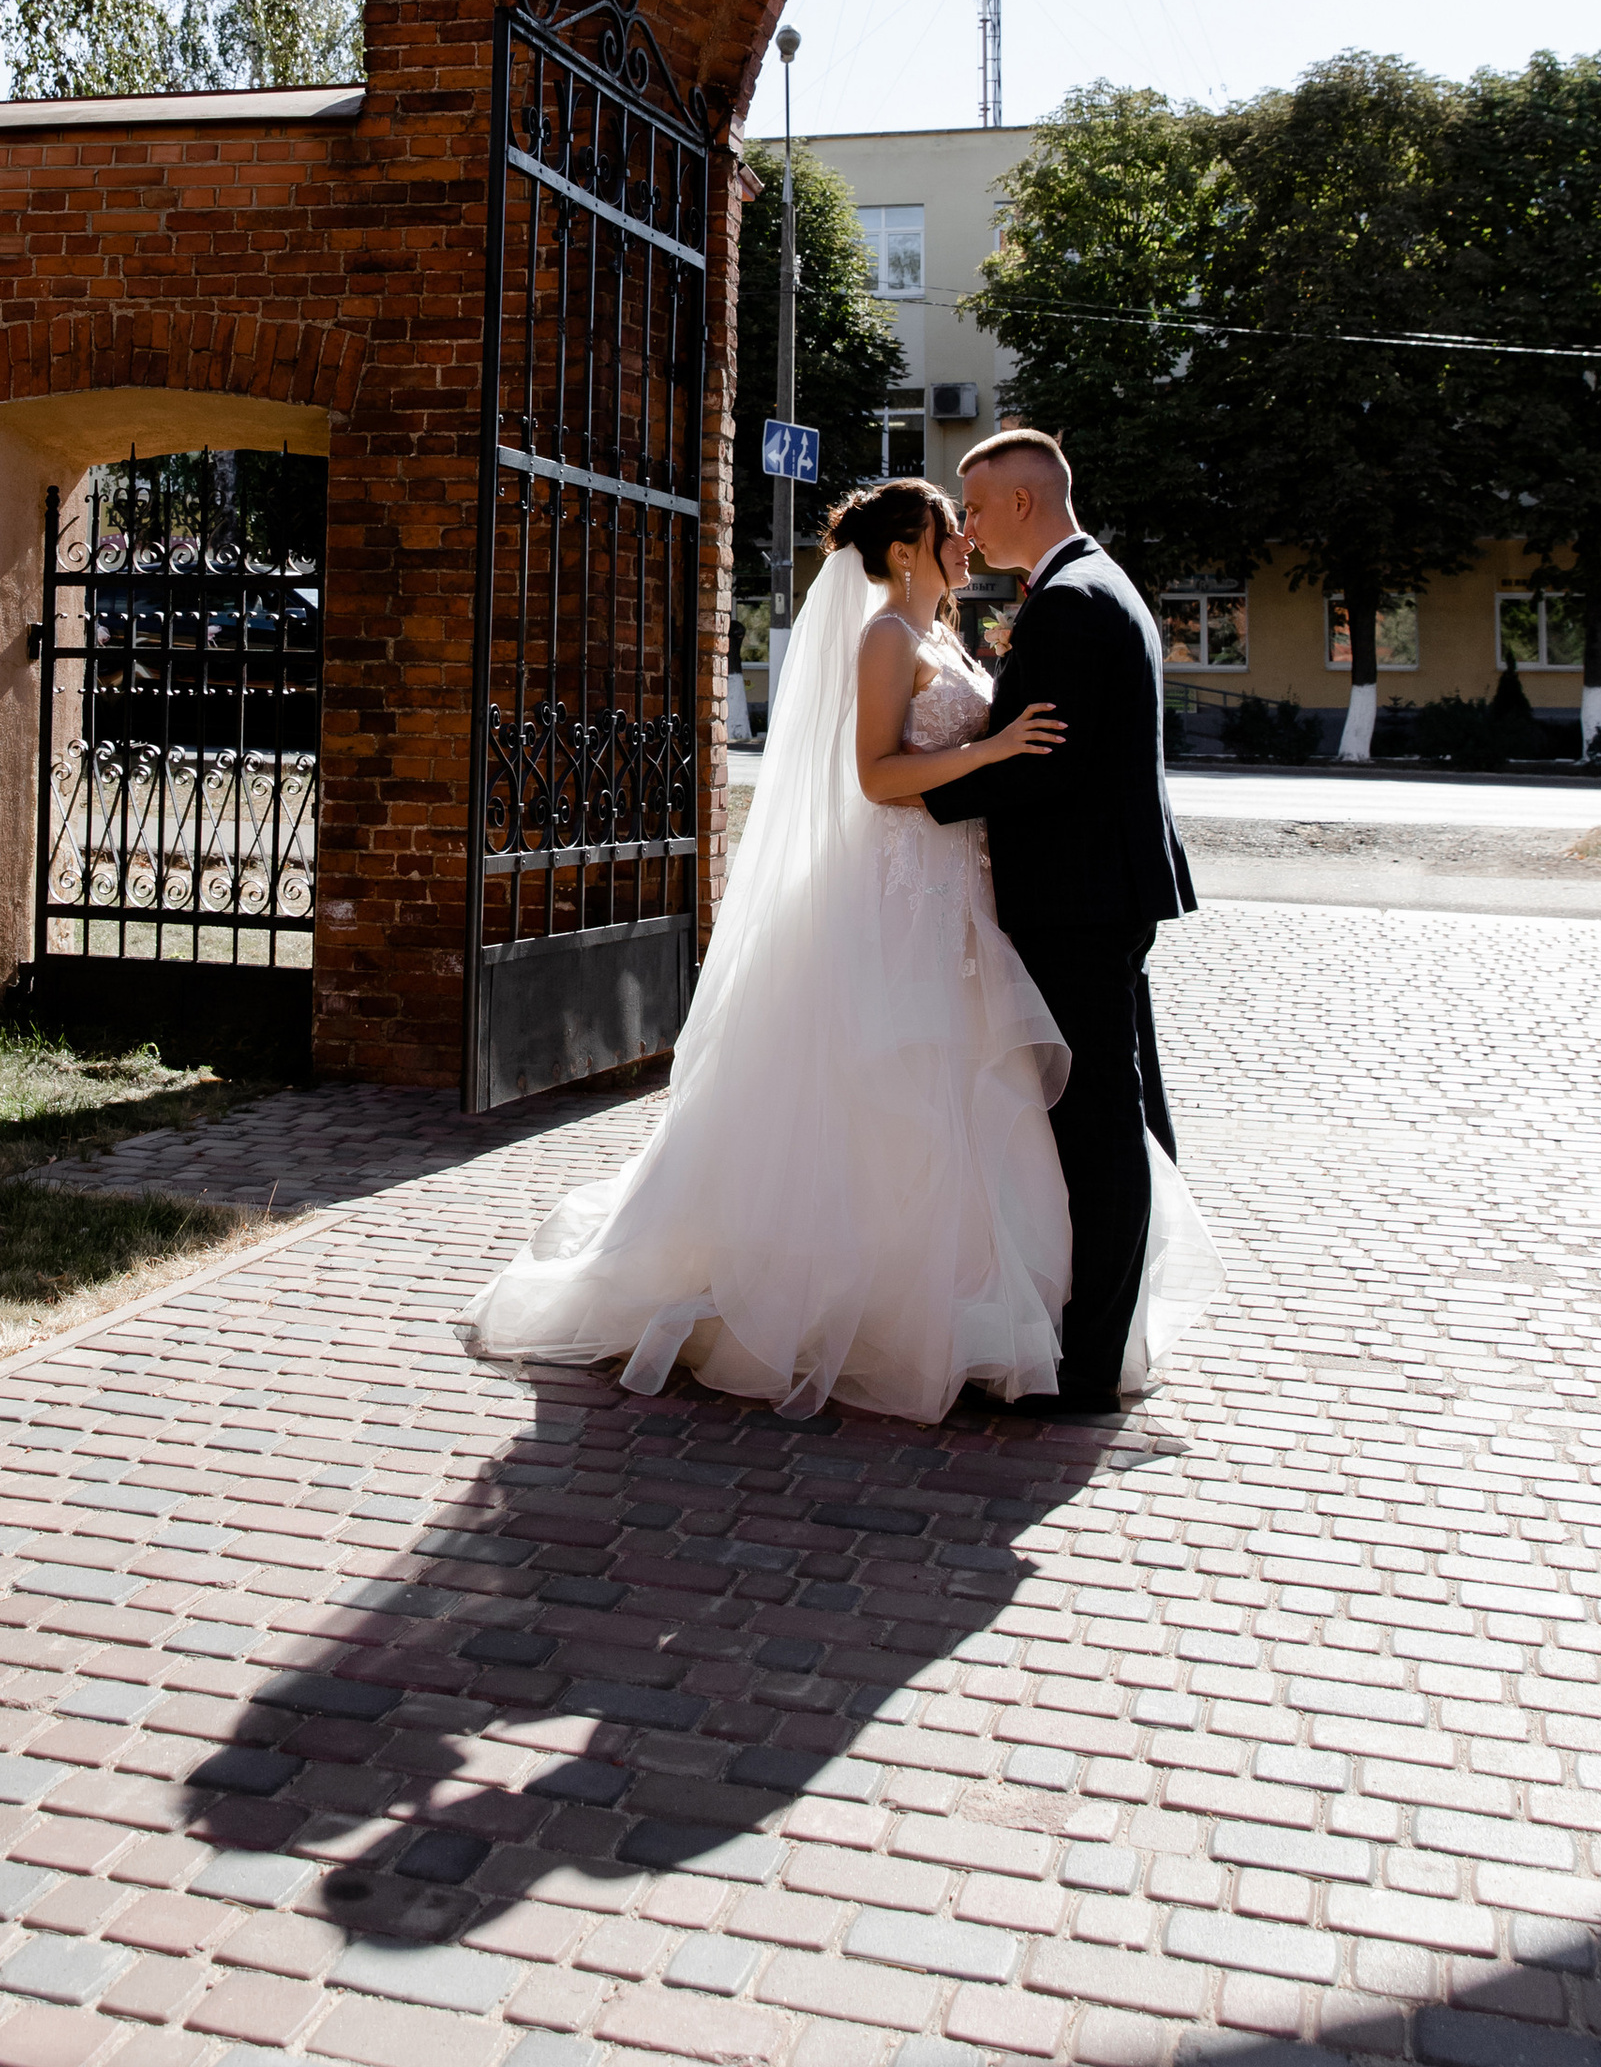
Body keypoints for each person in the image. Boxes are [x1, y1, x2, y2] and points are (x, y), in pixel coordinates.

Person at [459, 476, 1082, 1421]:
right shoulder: (886, 637)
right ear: (906, 552)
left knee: (958, 1082)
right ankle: (864, 1309)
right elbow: (875, 775)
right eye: (946, 527)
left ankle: (963, 1300)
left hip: (957, 886)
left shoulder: (944, 635)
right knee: (888, 1081)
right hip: (897, 885)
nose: (964, 538)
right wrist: (991, 756)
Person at [922, 427, 1216, 1416]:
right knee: (1114, 1113)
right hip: (1102, 891)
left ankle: (1089, 1364)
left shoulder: (1070, 604)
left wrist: (912, 800)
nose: (967, 527)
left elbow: (1043, 760)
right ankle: (1108, 1331)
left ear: (1018, 502)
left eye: (973, 507)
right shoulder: (1093, 584)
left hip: (1079, 898)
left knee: (1096, 1127)